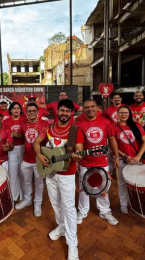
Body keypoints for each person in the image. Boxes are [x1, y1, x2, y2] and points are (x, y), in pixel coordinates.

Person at [34, 99, 84, 260]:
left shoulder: (76, 131)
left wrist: (76, 157)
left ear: (71, 113)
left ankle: (72, 245)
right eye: (62, 110)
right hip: (50, 172)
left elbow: (79, 151)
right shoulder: (48, 128)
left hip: (67, 175)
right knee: (55, 203)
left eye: (67, 111)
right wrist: (40, 155)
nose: (64, 113)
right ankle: (61, 227)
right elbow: (36, 142)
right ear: (57, 111)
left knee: (69, 208)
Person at [75, 99, 120, 226]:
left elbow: (112, 139)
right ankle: (83, 211)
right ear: (83, 109)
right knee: (84, 188)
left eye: (92, 106)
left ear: (97, 108)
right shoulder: (78, 123)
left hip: (102, 161)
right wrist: (77, 161)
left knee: (103, 187)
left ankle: (105, 211)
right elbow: (75, 144)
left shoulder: (105, 122)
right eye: (87, 107)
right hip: (85, 161)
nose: (90, 109)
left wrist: (116, 157)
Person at [13, 103, 49, 217]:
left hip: (39, 160)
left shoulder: (45, 124)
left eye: (34, 110)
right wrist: (11, 132)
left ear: (37, 112)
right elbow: (20, 136)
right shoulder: (23, 124)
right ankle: (27, 199)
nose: (32, 112)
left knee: (39, 183)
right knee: (26, 181)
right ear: (26, 113)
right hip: (26, 159)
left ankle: (37, 203)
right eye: (29, 111)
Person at [111, 106, 145, 214]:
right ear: (117, 114)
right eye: (121, 113)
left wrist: (138, 156)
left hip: (137, 160)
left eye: (126, 113)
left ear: (129, 114)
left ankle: (135, 203)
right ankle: (123, 203)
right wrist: (124, 156)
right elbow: (112, 146)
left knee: (137, 182)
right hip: (123, 160)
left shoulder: (136, 126)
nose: (123, 115)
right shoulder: (114, 127)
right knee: (122, 183)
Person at [5, 102, 25, 202]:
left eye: (18, 108)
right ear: (10, 110)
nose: (16, 110)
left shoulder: (24, 120)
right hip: (11, 149)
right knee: (12, 173)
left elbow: (20, 135)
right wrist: (14, 133)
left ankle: (23, 195)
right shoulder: (6, 121)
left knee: (23, 173)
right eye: (14, 108)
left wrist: (11, 132)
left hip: (23, 148)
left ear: (21, 110)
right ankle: (13, 196)